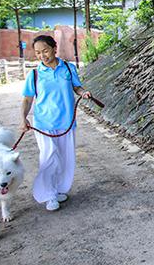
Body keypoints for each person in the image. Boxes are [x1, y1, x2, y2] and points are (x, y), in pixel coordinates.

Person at [20, 35, 91, 211]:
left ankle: (59, 189)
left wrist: (83, 93)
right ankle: (48, 194)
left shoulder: (68, 67)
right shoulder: (35, 74)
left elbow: (76, 87)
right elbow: (27, 99)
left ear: (54, 48)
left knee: (65, 158)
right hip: (43, 123)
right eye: (37, 53)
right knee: (49, 156)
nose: (42, 55)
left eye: (45, 50)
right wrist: (23, 118)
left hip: (66, 121)